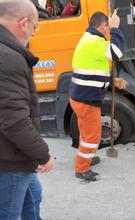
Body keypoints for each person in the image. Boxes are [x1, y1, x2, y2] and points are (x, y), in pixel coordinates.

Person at [0, 0, 54, 219]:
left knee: (34, 196)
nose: (35, 32)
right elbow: (14, 121)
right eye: (35, 26)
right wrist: (43, 155)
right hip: (10, 159)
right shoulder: (7, 58)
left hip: (16, 155)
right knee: (9, 212)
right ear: (23, 23)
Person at [69, 10, 128, 181]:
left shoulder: (89, 39)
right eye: (108, 28)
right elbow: (116, 52)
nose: (109, 31)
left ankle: (86, 156)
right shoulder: (94, 41)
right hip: (86, 100)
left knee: (86, 132)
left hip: (81, 97)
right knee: (92, 136)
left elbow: (92, 70)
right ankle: (82, 169)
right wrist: (117, 28)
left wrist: (112, 79)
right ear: (103, 26)